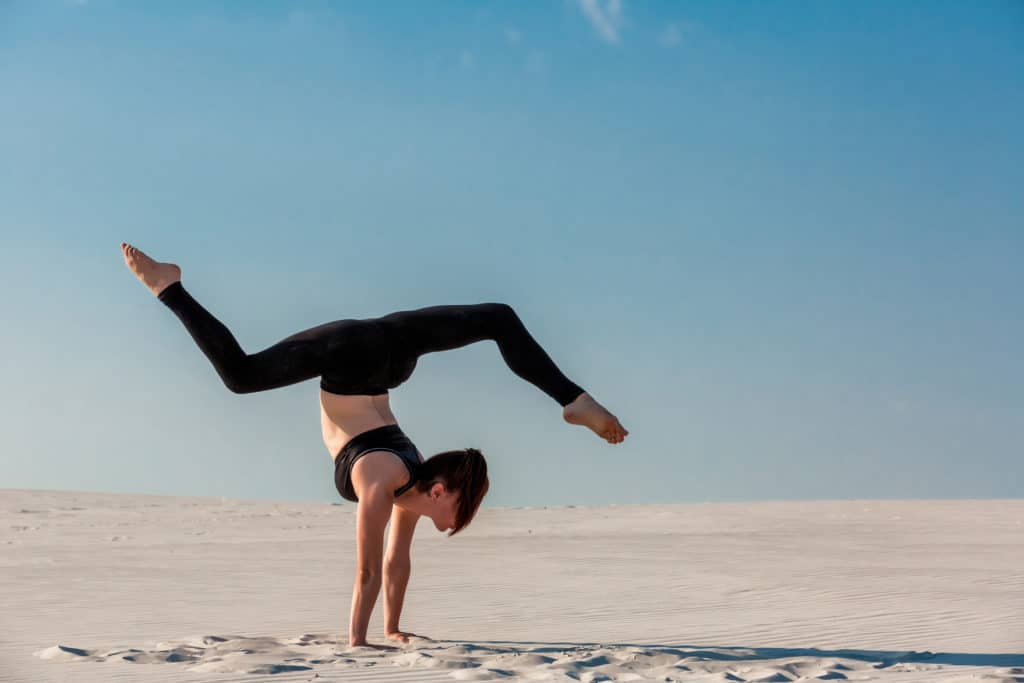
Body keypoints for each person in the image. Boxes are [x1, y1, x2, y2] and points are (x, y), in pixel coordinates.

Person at [120, 242, 629, 648]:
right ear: (439, 491)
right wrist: (358, 641)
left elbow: (394, 564)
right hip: (353, 356)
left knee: (497, 316)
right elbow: (366, 570)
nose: (464, 516)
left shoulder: (406, 485)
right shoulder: (385, 480)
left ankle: (573, 400)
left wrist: (392, 629)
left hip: (389, 351)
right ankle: (170, 286)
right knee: (241, 376)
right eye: (463, 504)